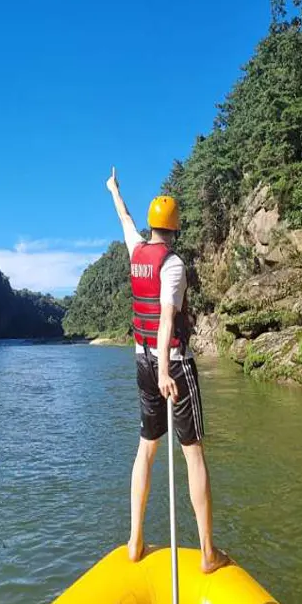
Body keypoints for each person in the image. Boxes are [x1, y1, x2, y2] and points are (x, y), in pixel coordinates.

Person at [106, 167, 228, 574]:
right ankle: (208, 553)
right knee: (193, 455)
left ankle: (135, 540)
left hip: (140, 359)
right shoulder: (173, 265)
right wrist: (164, 371)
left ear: (152, 225)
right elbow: (166, 320)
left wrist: (114, 190)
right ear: (175, 228)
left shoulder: (136, 249)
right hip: (170, 364)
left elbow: (124, 219)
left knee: (147, 448)